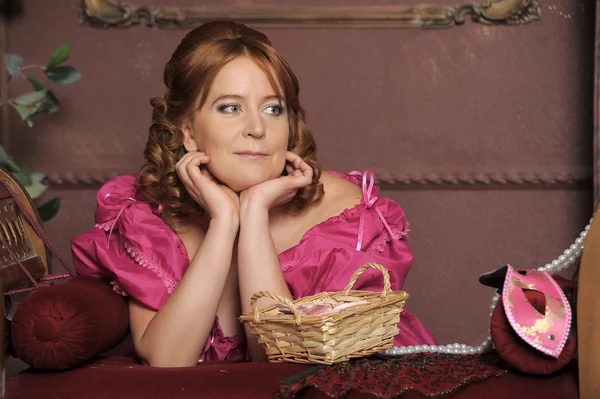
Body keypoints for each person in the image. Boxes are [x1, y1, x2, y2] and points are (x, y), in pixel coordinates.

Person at [71, 21, 436, 367]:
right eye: (231, 108)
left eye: (273, 109)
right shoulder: (147, 219)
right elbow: (168, 360)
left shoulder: (349, 215)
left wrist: (256, 212)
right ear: (187, 132)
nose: (257, 128)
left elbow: (277, 363)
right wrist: (225, 221)